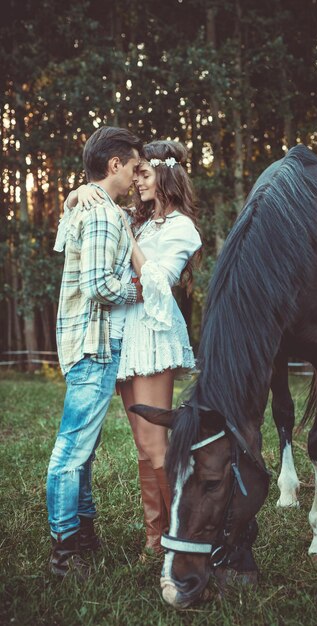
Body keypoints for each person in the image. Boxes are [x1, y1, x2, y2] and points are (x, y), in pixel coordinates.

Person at [69, 140, 202, 558]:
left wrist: (128, 234)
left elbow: (157, 283)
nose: (137, 181)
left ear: (165, 176)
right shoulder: (140, 221)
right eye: (137, 173)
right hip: (125, 335)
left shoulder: (182, 228)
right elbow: (80, 208)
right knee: (142, 447)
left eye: (144, 174)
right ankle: (153, 535)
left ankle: (181, 532)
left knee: (156, 445)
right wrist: (80, 191)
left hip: (153, 337)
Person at [47, 126, 143, 577]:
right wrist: (142, 289)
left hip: (81, 340)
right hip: (94, 342)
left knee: (83, 447)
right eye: (133, 166)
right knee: (71, 450)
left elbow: (64, 241)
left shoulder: (94, 206)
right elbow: (99, 285)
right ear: (114, 165)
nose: (136, 175)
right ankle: (65, 550)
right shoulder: (102, 214)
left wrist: (73, 195)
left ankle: (83, 532)